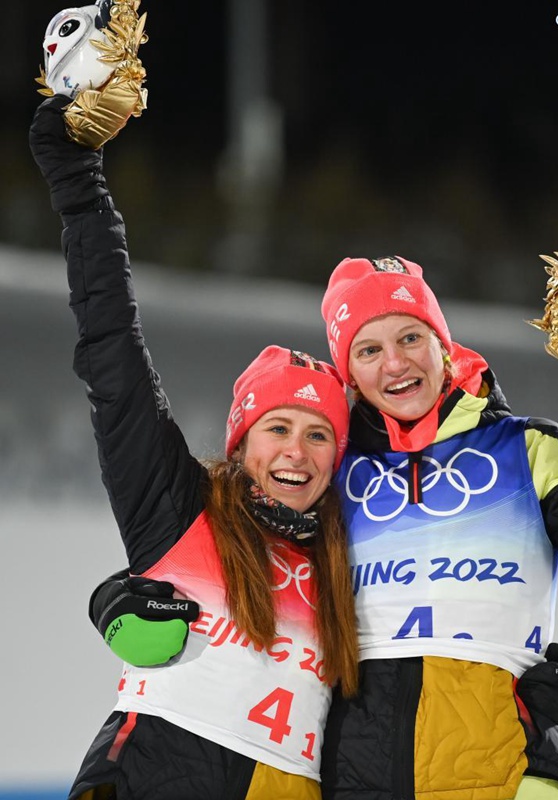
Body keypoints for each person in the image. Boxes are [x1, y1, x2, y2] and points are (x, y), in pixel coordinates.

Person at [29, 94, 359, 800]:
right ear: (240, 443)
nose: (296, 452)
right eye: (276, 429)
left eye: (317, 434)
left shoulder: (354, 553)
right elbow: (112, 354)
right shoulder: (181, 508)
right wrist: (79, 184)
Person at [314, 254, 558, 800]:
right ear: (349, 373)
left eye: (411, 337)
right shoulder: (328, 475)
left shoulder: (529, 449)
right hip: (357, 777)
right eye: (369, 350)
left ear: (442, 343)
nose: (395, 364)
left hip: (504, 773)